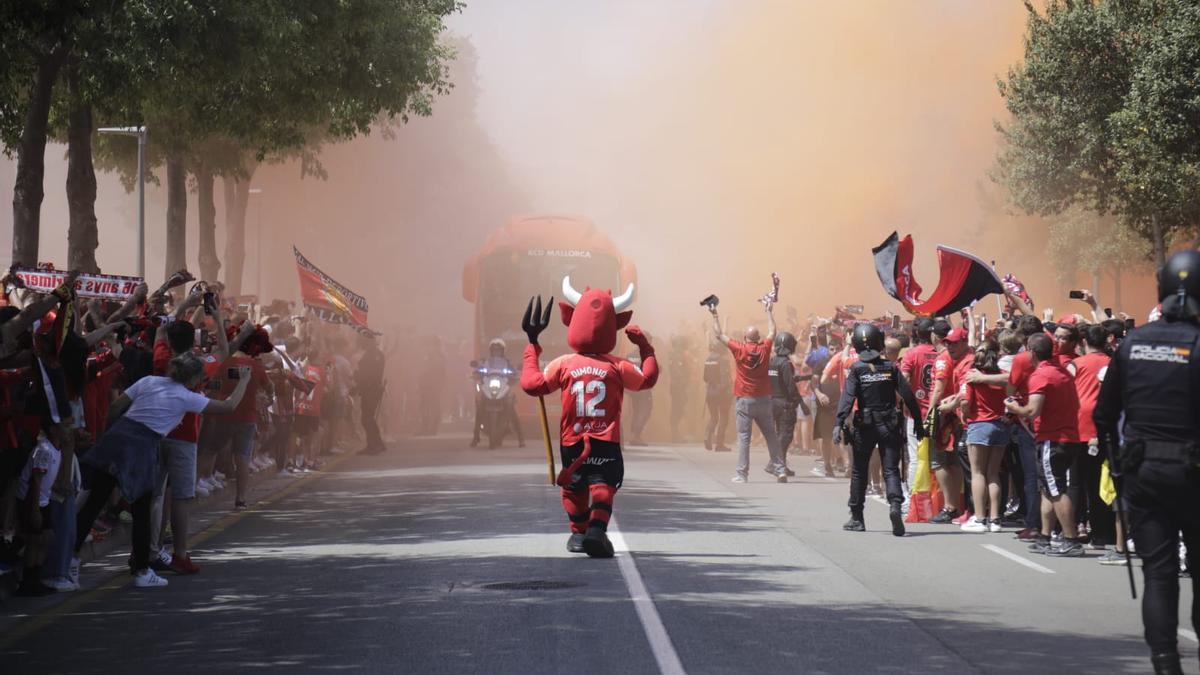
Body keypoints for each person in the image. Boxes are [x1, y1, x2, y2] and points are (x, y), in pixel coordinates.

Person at [1095, 250, 1200, 675]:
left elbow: (1104, 414)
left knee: (1159, 574)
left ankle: (1165, 663)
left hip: (1144, 473)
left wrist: (1119, 463)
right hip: (1192, 473)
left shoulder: (1131, 344)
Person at [73, 353, 252, 588]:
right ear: (195, 378)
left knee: (94, 502)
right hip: (143, 446)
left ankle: (69, 563)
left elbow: (116, 406)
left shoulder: (149, 380)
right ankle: (141, 571)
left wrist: (110, 434)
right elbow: (228, 406)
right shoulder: (187, 397)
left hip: (117, 437)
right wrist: (244, 382)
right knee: (142, 510)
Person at [519, 282, 658, 559]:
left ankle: (578, 532)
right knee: (603, 487)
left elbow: (531, 384)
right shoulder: (617, 366)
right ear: (614, 325)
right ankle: (596, 530)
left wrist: (532, 346)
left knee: (574, 488)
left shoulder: (564, 363)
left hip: (572, 441)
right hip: (605, 442)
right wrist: (645, 348)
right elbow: (647, 380)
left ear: (571, 319)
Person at [836, 323, 923, 536]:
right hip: (890, 423)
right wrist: (918, 422)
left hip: (865, 425)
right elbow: (908, 396)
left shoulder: (857, 369)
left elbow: (847, 398)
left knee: (859, 471)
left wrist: (839, 423)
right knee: (891, 469)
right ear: (879, 343)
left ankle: (857, 518)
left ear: (855, 344)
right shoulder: (891, 367)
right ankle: (894, 506)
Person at [1005, 333, 1084, 557]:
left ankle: (1071, 540)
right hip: (1066, 436)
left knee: (1056, 489)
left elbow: (1032, 410)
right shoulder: (1061, 373)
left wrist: (1013, 408)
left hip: (1053, 438)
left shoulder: (1042, 375)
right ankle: (1045, 537)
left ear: (1031, 351)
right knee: (1048, 489)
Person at [708, 299, 787, 483]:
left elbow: (719, 334)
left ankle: (742, 474)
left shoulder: (739, 348)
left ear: (745, 337)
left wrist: (715, 315)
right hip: (764, 399)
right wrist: (768, 311)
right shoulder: (765, 348)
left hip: (745, 399)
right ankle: (780, 469)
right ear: (757, 338)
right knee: (771, 435)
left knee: (744, 438)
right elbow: (772, 332)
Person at [959, 338, 1011, 533]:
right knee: (993, 473)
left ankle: (980, 518)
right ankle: (995, 518)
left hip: (979, 423)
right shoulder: (1003, 375)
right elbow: (1014, 390)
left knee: (978, 472)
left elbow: (965, 402)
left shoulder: (972, 375)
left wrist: (965, 415)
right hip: (1000, 424)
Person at [928, 326, 972, 523]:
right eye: (948, 342)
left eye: (955, 343)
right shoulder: (962, 357)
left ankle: (950, 506)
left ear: (964, 342)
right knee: (953, 462)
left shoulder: (945, 360)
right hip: (954, 414)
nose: (950, 346)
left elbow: (939, 389)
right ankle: (958, 506)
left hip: (948, 416)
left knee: (941, 461)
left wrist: (930, 415)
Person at [470, 338, 523, 448]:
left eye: (498, 350)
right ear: (491, 351)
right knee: (480, 407)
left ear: (502, 351)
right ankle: (476, 437)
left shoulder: (507, 362)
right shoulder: (486, 362)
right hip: (489, 385)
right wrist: (476, 372)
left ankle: (521, 438)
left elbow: (514, 371)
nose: (496, 352)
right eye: (494, 350)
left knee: (511, 407)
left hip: (502, 386)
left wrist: (515, 373)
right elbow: (478, 370)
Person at [769, 331, 805, 477]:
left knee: (780, 434)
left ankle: (781, 465)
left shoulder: (772, 362)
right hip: (785, 404)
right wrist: (798, 401)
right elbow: (790, 386)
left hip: (773, 402)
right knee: (786, 436)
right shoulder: (786, 363)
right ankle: (775, 464)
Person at [355, 333, 387, 454]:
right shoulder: (376, 354)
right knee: (367, 418)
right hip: (369, 389)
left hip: (371, 389)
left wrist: (357, 376)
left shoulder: (372, 355)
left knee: (367, 418)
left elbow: (368, 374)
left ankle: (376, 444)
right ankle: (373, 444)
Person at [702, 341, 732, 451]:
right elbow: (725, 380)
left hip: (710, 392)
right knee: (724, 418)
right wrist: (726, 390)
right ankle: (719, 444)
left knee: (714, 417)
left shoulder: (708, 359)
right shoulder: (723, 360)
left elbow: (705, 378)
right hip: (721, 394)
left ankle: (707, 436)